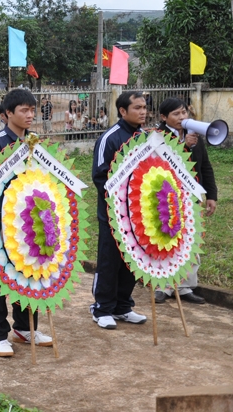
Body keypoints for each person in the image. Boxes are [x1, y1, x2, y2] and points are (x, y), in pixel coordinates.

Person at [0, 88, 52, 357]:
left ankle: (26, 328)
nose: (30, 115)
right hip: (0, 223)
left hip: (29, 220)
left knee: (30, 273)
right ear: (7, 113)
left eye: (32, 110)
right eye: (24, 110)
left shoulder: (34, 143)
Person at [91, 90, 149, 330]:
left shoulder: (145, 137)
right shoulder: (110, 138)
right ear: (123, 111)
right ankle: (102, 308)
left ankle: (123, 306)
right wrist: (123, 197)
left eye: (145, 107)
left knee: (132, 259)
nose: (143, 111)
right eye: (137, 107)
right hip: (113, 214)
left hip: (138, 214)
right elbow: (99, 176)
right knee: (110, 260)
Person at [153, 98, 216, 305]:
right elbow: (162, 164)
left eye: (184, 113)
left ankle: (185, 285)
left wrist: (211, 195)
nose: (182, 118)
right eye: (176, 114)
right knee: (165, 240)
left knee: (191, 240)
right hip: (166, 198)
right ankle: (162, 286)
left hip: (191, 198)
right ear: (164, 117)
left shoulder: (194, 136)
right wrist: (183, 146)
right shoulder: (157, 137)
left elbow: (204, 166)